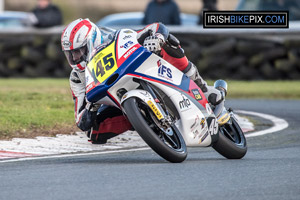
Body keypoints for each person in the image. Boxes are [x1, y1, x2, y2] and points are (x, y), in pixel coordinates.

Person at [61, 18, 222, 144]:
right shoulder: (77, 77)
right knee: (93, 133)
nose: (75, 59)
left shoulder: (111, 37)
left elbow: (156, 27)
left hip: (139, 70)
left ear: (91, 40)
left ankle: (202, 87)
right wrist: (91, 105)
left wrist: (157, 38)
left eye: (78, 52)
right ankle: (145, 122)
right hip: (112, 100)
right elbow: (80, 120)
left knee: (168, 41)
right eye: (71, 54)